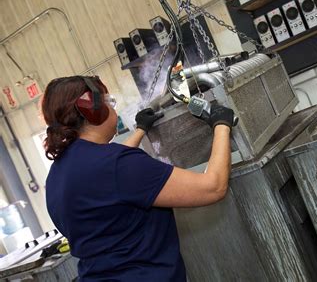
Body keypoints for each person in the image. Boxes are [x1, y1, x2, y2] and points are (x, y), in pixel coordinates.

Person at [42, 76, 235, 281]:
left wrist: (141, 130)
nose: (112, 108)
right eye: (109, 102)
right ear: (92, 109)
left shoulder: (56, 176)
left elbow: (109, 175)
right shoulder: (117, 166)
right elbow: (213, 187)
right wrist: (221, 124)